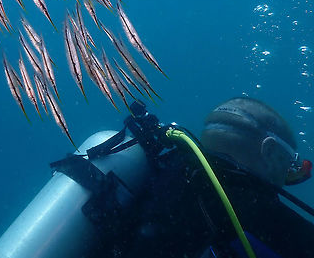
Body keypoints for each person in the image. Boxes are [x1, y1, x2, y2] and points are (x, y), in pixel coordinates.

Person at [88, 97, 314, 258]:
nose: (289, 174)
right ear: (269, 150)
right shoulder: (253, 210)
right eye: (290, 162)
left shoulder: (169, 176)